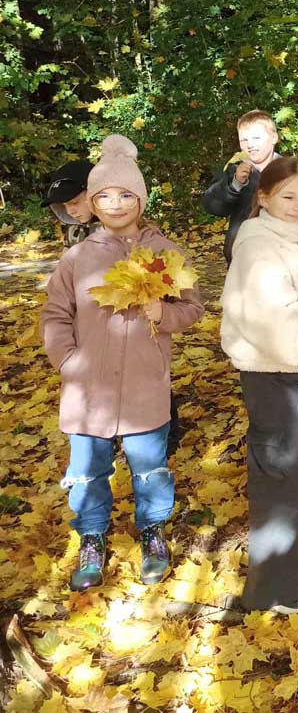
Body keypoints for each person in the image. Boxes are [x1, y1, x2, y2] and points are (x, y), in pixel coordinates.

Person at [41, 135, 204, 591]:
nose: (115, 204)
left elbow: (193, 308)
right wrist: (68, 362)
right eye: (104, 196)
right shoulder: (77, 258)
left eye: (126, 194)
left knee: (150, 467)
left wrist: (163, 314)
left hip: (143, 386)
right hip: (87, 390)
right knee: (88, 470)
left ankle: (152, 531)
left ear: (141, 199)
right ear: (92, 203)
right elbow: (55, 314)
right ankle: (91, 538)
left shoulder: (166, 253)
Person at [220, 157, 298, 612]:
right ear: (264, 198)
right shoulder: (256, 246)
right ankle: (278, 590)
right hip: (273, 374)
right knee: (285, 477)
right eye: (288, 197)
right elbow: (274, 321)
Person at [202, 109, 281, 264]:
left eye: (256, 138)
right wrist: (235, 184)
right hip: (241, 256)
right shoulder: (233, 171)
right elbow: (213, 206)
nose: (250, 145)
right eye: (244, 140)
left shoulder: (290, 171)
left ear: (274, 137)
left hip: (281, 254)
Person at [42, 159, 98, 248]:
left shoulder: (117, 230)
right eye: (64, 205)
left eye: (74, 202)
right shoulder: (72, 230)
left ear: (95, 194)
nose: (69, 212)